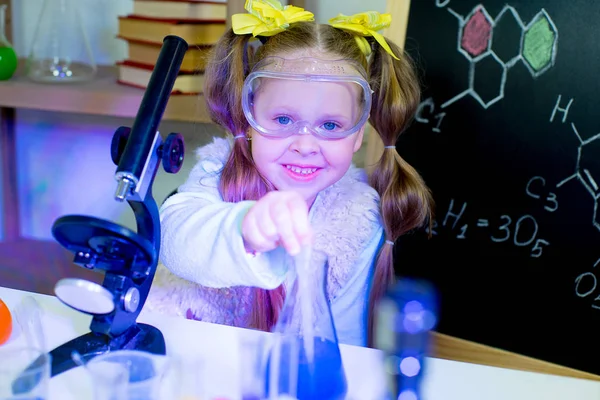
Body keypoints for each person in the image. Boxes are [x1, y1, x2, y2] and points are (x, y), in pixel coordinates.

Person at [144, 0, 433, 348]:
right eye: (283, 120)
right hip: (188, 361)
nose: (306, 144)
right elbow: (175, 237)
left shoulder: (359, 217)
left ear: (358, 134)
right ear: (250, 117)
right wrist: (245, 228)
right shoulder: (219, 171)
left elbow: (342, 344)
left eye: (330, 124)